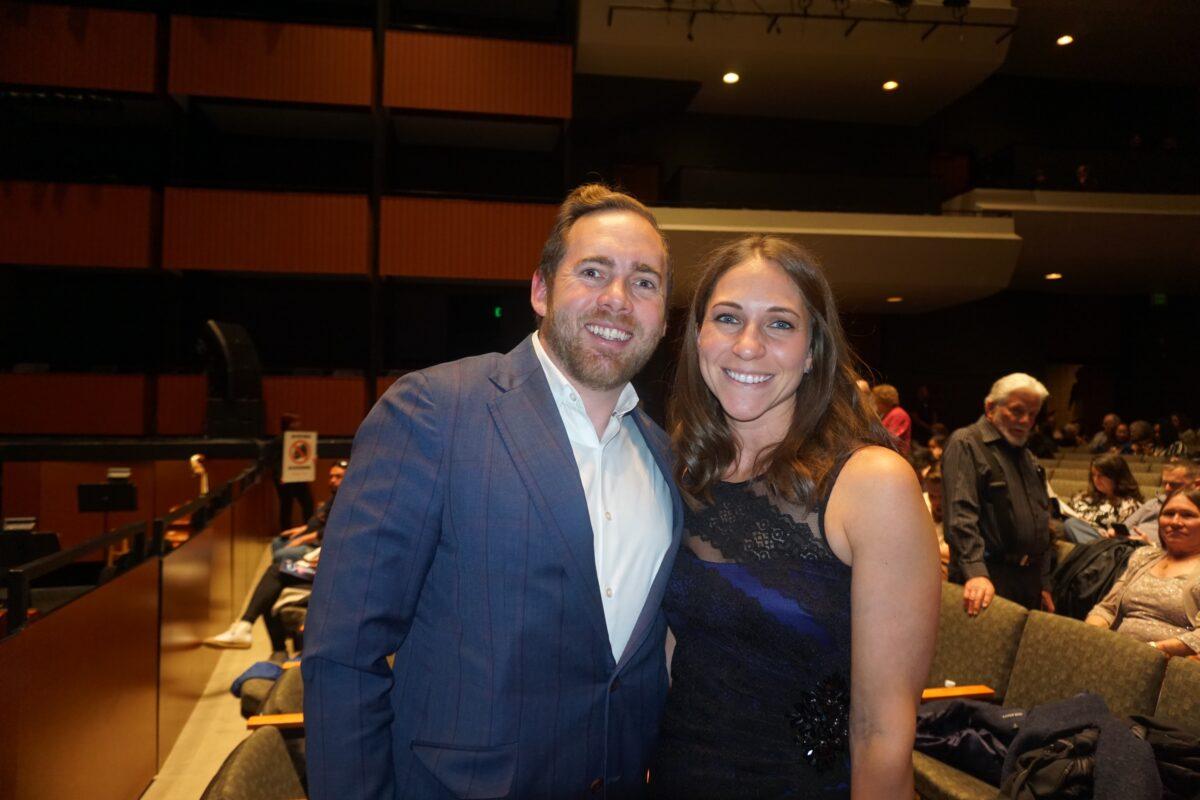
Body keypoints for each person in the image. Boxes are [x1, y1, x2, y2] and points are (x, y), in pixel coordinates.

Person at [302, 184, 681, 799]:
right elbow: (343, 656)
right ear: (540, 290)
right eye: (593, 272)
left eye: (644, 282)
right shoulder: (434, 411)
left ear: (663, 317)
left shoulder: (665, 461)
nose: (618, 299)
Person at [653, 235, 939, 799]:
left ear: (813, 351)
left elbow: (882, 734)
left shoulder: (872, 483)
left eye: (780, 324)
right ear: (699, 337)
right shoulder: (680, 468)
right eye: (728, 318)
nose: (748, 345)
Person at [943, 373, 1056, 615]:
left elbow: (1042, 521)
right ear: (990, 407)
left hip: (1029, 580)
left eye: (1033, 414)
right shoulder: (967, 443)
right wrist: (975, 573)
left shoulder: (1027, 456)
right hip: (988, 579)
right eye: (1017, 411)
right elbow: (960, 515)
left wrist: (1043, 582)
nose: (1025, 420)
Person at [1085, 487, 1200, 658]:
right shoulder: (1144, 556)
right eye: (1168, 514)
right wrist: (1090, 636)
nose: (1175, 522)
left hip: (1170, 665)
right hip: (1115, 652)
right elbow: (1107, 608)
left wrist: (1150, 651)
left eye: (1187, 515)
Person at [205, 548, 320, 654]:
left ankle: (273, 646)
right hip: (322, 569)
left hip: (329, 577)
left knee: (275, 572)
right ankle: (248, 629)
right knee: (274, 581)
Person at [270, 460, 347, 562]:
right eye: (331, 476)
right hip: (311, 538)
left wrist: (302, 539)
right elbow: (319, 520)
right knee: (277, 542)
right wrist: (301, 529)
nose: (332, 480)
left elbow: (331, 531)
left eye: (338, 477)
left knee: (280, 555)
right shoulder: (335, 495)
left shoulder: (347, 502)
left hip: (319, 546)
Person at [1110, 459, 1200, 546]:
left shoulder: (1196, 511)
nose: (1167, 488)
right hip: (1123, 546)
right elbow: (1125, 526)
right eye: (1165, 483)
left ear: (1197, 485)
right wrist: (1115, 533)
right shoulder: (1153, 503)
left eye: (1175, 484)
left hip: (1150, 555)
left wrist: (1150, 546)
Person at [1065, 454, 1143, 532]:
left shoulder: (1129, 505)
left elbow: (1122, 536)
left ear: (1116, 476)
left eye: (1101, 475)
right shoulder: (1084, 496)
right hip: (1070, 531)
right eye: (1093, 475)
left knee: (1071, 523)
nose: (1096, 479)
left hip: (1100, 540)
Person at [872, 383, 912, 455]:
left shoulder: (898, 414)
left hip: (896, 455)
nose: (874, 403)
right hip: (889, 454)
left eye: (876, 401)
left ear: (883, 401)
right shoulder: (888, 413)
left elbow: (891, 439)